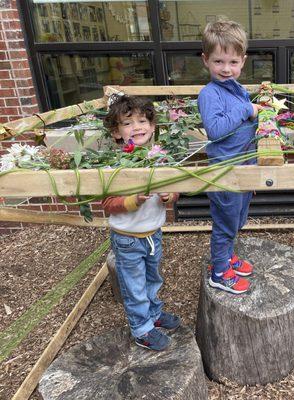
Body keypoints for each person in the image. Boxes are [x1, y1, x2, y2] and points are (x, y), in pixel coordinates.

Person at [102, 95, 180, 351]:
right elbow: (108, 203)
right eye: (127, 123)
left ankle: (154, 314)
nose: (137, 127)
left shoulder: (160, 157)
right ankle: (141, 329)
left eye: (142, 120)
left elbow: (175, 188)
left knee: (152, 278)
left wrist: (170, 195)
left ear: (153, 126)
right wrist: (132, 201)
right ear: (116, 132)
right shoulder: (114, 165)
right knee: (134, 286)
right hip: (127, 237)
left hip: (153, 233)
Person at [197, 20, 262, 294]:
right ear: (206, 60)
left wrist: (255, 166)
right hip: (226, 172)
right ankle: (220, 272)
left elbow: (247, 131)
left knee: (237, 219)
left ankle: (227, 257)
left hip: (243, 170)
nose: (226, 69)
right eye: (218, 61)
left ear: (243, 61)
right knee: (225, 224)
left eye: (233, 62)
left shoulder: (236, 88)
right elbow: (215, 129)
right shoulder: (209, 94)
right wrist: (246, 110)